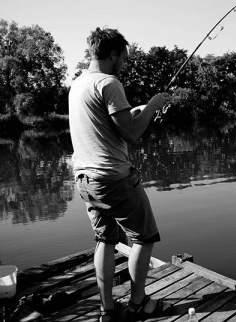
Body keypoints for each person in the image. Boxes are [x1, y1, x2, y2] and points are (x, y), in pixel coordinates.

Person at [69, 27, 169, 322]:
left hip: (85, 181)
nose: (124, 64)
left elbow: (112, 123)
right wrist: (152, 105)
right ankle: (138, 305)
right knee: (144, 237)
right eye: (123, 58)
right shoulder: (109, 82)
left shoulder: (78, 85)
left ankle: (106, 311)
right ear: (112, 54)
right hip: (113, 179)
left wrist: (140, 109)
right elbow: (132, 133)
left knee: (105, 240)